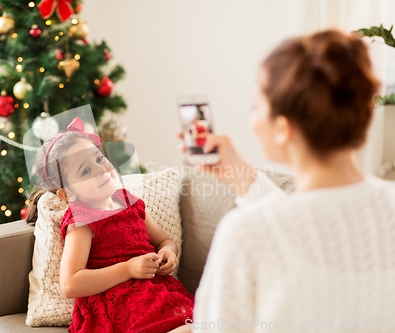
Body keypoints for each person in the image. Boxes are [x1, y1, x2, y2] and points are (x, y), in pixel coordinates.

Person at [178, 29, 395, 332]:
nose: (253, 121)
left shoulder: (245, 234)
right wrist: (237, 171)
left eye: (257, 106)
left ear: (282, 127)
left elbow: (292, 234)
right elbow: (315, 231)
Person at [26, 119, 194, 333]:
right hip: (119, 302)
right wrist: (128, 269)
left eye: (98, 158)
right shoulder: (82, 219)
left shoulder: (129, 201)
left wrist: (168, 253)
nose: (100, 169)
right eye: (85, 171)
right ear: (68, 193)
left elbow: (164, 241)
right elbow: (71, 284)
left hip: (159, 292)